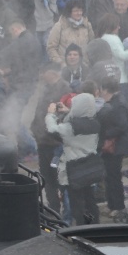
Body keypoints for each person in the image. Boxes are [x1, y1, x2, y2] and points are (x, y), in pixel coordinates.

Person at [46, 93, 101, 225]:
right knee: (90, 201)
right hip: (91, 166)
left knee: (77, 204)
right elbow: (82, 117)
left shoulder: (72, 127)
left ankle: (82, 230)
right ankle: (95, 227)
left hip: (75, 169)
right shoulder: (95, 123)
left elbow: (52, 130)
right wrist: (68, 111)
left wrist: (50, 114)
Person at [30, 63, 71, 214]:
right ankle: (53, 209)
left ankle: (67, 212)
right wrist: (35, 128)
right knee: (46, 178)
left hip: (56, 143)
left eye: (44, 72)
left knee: (60, 178)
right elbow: (39, 112)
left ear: (53, 73)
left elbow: (64, 117)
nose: (41, 75)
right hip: (43, 141)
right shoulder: (46, 88)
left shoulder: (65, 90)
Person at [96, 78, 128, 222]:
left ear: (105, 90)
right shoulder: (115, 102)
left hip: (115, 147)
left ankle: (118, 206)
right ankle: (111, 204)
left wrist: (104, 134)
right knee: (109, 176)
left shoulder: (119, 104)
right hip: (112, 146)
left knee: (114, 177)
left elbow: (122, 126)